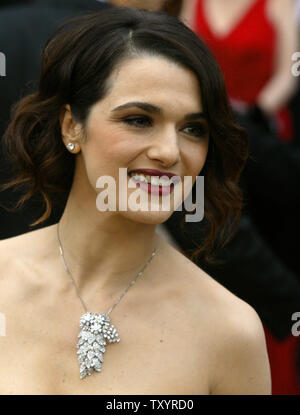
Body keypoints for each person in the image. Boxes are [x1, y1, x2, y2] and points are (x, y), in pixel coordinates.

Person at [0, 7, 271, 394]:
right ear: (71, 126)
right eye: (139, 119)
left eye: (193, 129)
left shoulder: (229, 331)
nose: (169, 151)